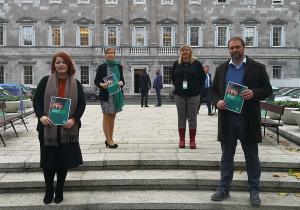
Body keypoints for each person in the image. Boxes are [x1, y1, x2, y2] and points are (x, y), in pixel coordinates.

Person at [210, 37, 272, 206]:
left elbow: (268, 90)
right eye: (231, 48)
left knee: (252, 158)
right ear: (228, 49)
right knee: (226, 157)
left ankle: (254, 190)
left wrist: (254, 93)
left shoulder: (257, 68)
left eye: (237, 47)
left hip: (248, 120)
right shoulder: (222, 68)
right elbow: (214, 90)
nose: (234, 50)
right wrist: (217, 101)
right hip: (228, 120)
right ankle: (223, 188)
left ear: (244, 48)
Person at [33, 52, 86, 204]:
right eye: (58, 62)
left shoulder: (75, 84)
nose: (61, 65)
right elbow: (37, 101)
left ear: (69, 65)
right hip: (47, 128)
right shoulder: (45, 81)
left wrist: (74, 119)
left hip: (67, 128)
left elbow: (81, 104)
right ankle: (49, 190)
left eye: (64, 62)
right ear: (54, 65)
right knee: (48, 162)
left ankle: (60, 190)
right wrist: (41, 116)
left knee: (63, 162)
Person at [171, 45, 206, 149]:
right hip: (179, 95)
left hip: (194, 95)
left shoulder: (196, 63)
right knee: (181, 117)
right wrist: (178, 86)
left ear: (190, 52)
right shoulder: (176, 64)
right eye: (183, 50)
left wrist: (196, 88)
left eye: (187, 50)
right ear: (180, 52)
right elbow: (173, 77)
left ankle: (192, 140)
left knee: (192, 118)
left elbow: (202, 78)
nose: (185, 52)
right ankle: (182, 140)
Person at [94, 47, 125, 148]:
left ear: (114, 54)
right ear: (105, 55)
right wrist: (102, 84)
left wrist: (121, 83)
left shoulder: (119, 66)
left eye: (112, 53)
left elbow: (122, 81)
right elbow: (96, 80)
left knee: (112, 118)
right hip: (106, 95)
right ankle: (108, 140)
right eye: (108, 53)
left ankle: (110, 138)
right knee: (107, 117)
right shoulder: (102, 67)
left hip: (116, 95)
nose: (110, 54)